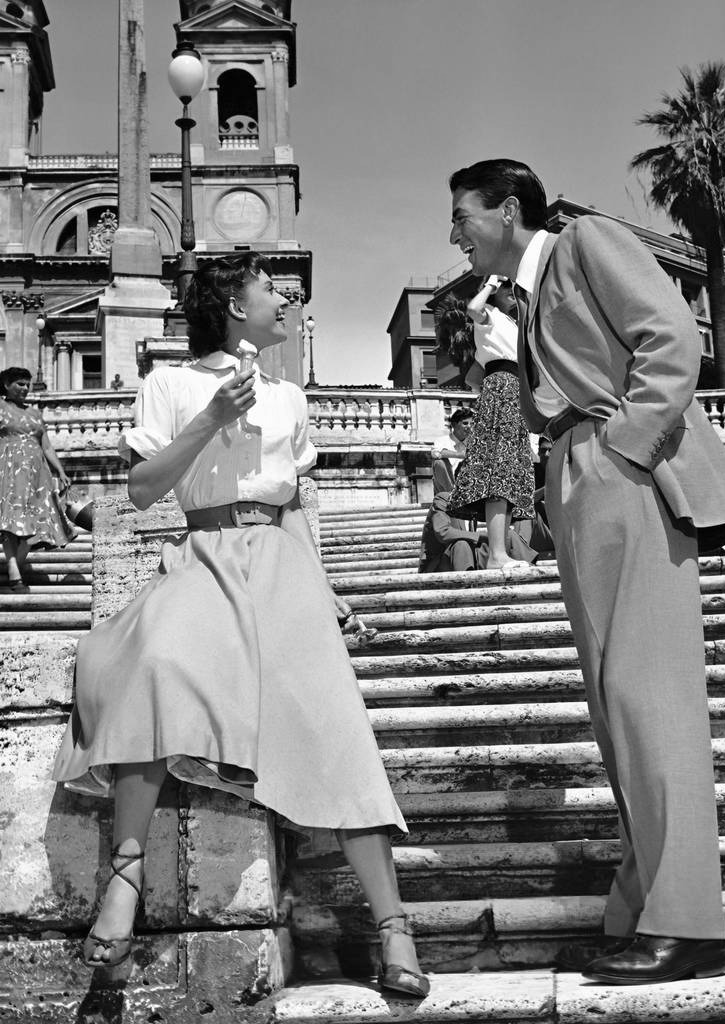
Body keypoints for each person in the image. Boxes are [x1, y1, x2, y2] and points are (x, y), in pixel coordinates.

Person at [52, 253, 428, 998]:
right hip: (204, 553)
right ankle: (124, 880)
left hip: (281, 563)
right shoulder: (170, 384)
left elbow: (294, 507)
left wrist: (322, 590)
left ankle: (393, 926)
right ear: (230, 303)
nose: (284, 298)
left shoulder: (290, 397)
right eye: (268, 288)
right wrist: (211, 419)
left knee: (334, 723)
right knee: (152, 662)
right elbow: (140, 488)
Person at [448, 159, 725, 985]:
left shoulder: (585, 239)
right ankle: (644, 908)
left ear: (509, 210)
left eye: (464, 217)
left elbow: (672, 336)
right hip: (575, 474)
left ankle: (688, 925)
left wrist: (626, 444)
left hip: (619, 466)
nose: (456, 234)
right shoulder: (526, 287)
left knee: (649, 699)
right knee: (615, 704)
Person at [436, 282, 535, 568]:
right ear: (495, 292)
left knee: (509, 473)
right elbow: (472, 309)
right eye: (508, 288)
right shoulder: (488, 313)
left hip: (511, 390)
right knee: (499, 472)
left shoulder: (509, 323)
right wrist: (491, 280)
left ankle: (499, 553)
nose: (513, 293)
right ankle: (496, 555)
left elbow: (471, 379)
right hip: (504, 390)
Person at [0, 366, 73, 593]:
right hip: (8, 469)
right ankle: (14, 575)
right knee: (11, 521)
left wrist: (60, 471)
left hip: (36, 472)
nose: (25, 388)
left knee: (33, 522)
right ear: (6, 385)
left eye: (27, 384)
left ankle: (14, 569)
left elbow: (47, 445)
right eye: (20, 383)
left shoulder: (35, 414)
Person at [418, 487, 488, 572]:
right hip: (438, 564)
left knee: (497, 541)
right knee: (461, 544)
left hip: (462, 560)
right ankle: (465, 583)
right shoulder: (444, 499)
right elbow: (443, 532)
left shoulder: (474, 508)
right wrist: (480, 536)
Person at [431, 407, 473, 493]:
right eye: (465, 423)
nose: (469, 427)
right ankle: (452, 495)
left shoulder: (474, 443)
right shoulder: (442, 440)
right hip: (446, 489)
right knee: (439, 463)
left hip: (467, 488)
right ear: (454, 424)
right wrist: (460, 455)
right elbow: (435, 454)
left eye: (471, 424)